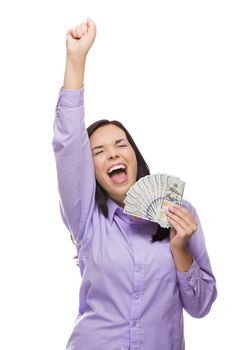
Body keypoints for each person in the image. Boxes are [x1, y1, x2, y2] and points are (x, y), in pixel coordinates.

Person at [52, 17, 217, 350]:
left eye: (120, 144)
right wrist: (76, 59)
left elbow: (201, 307)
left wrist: (180, 250)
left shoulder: (180, 213)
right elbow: (69, 144)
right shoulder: (86, 219)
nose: (112, 154)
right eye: (98, 151)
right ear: (92, 170)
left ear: (135, 156)